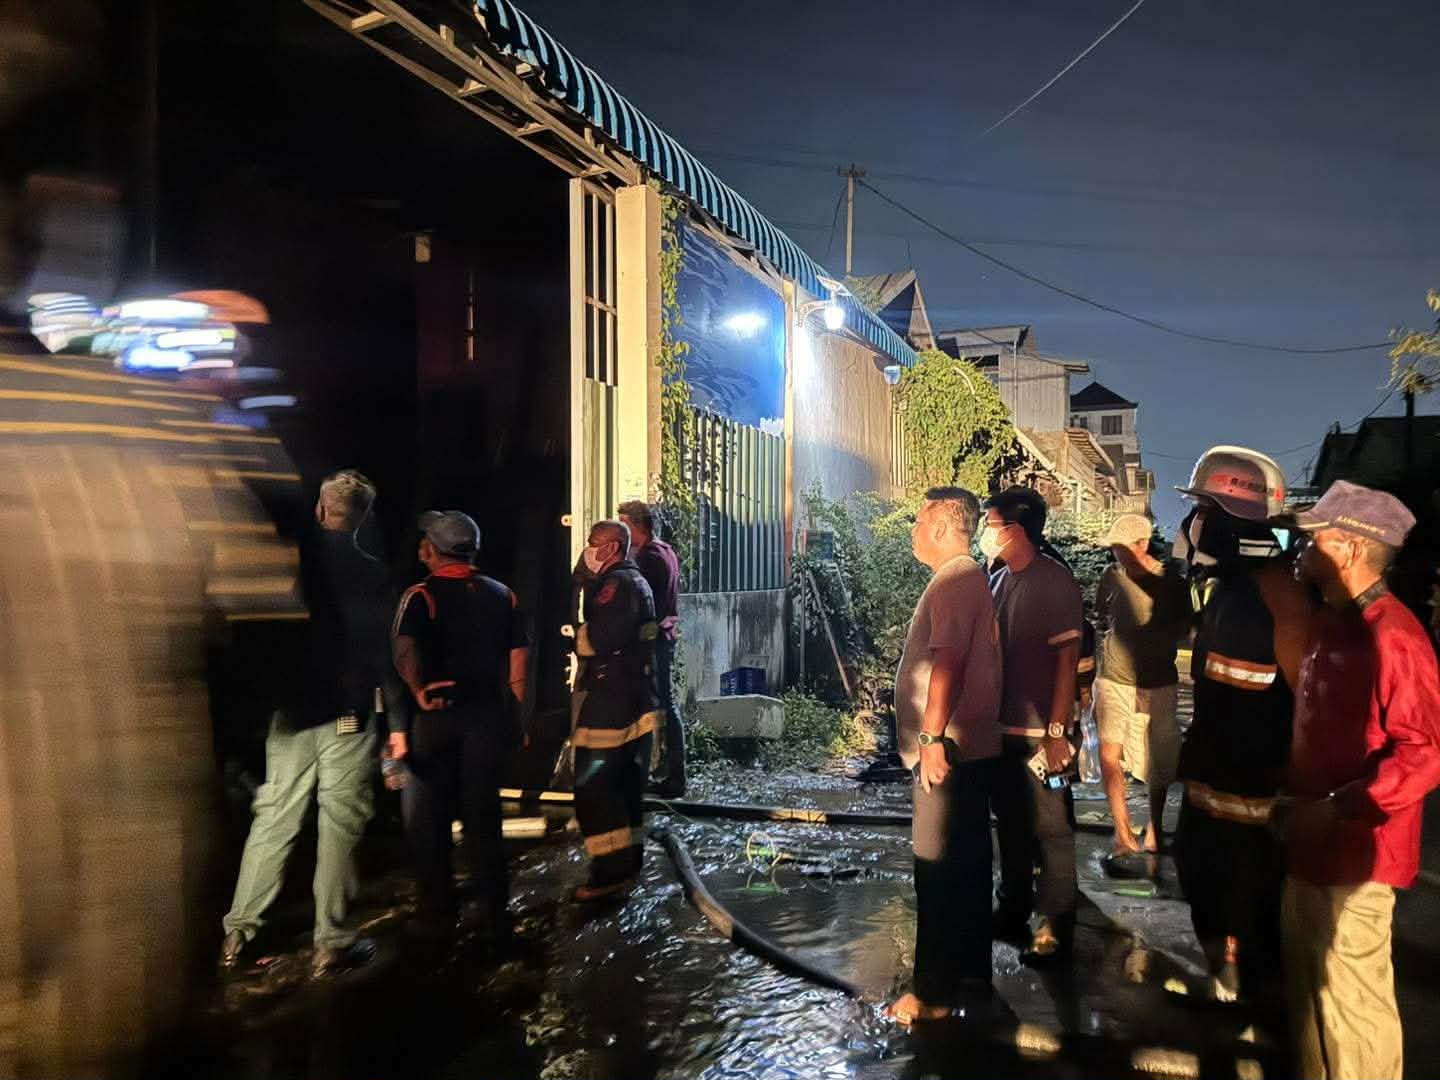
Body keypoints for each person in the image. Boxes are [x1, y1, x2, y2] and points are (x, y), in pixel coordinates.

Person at [1276, 481, 1440, 1080]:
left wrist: (1335, 808)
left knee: (1353, 1010)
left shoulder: (1394, 635)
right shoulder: (1333, 623)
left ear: (1347, 547)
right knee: (1311, 1004)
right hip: (1310, 847)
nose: (1299, 548)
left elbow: (1423, 755)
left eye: (1312, 537)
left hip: (1357, 859)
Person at [221, 470, 397, 977]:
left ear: (320, 509)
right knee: (340, 817)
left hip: (292, 712)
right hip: (346, 713)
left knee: (275, 813)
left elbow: (256, 639)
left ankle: (238, 936)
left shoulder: (287, 563)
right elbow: (382, 653)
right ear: (362, 518)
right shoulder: (370, 572)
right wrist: (397, 720)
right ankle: (331, 944)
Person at [1171, 445, 1308, 1003]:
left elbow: (1296, 698)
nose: (1192, 524)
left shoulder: (1271, 596)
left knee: (1239, 874)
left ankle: (1240, 978)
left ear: (1232, 520)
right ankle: (1226, 967)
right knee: (1203, 864)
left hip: (1248, 781)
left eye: (1204, 510)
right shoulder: (1235, 589)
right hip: (1217, 770)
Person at [884, 488, 1002, 1025]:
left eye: (918, 520)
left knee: (936, 870)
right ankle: (972, 974)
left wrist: (930, 739)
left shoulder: (955, 580)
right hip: (967, 748)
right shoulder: (969, 577)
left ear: (939, 526)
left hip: (946, 749)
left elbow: (947, 664)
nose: (912, 529)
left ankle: (931, 993)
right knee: (969, 864)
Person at [390, 510, 530, 939]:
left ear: (432, 550)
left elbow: (404, 649)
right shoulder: (503, 595)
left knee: (428, 818)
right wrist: (515, 715)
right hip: (485, 716)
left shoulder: (420, 595)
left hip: (438, 716)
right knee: (482, 815)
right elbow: (518, 660)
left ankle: (437, 913)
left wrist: (417, 690)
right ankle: (493, 910)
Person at [982, 486, 1084, 960]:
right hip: (1004, 732)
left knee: (1053, 830)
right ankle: (1013, 909)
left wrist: (1057, 733)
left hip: (1046, 737)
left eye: (991, 524)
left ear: (1016, 530)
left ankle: (1055, 923)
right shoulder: (999, 578)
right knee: (1011, 827)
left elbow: (1067, 662)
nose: (985, 532)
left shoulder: (1054, 582)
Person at [1094, 513, 1190, 869]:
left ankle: (1154, 828)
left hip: (1157, 681)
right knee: (1109, 753)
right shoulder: (1112, 575)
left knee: (1157, 761)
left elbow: (1184, 628)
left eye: (1120, 548)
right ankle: (1122, 832)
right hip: (1113, 678)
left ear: (1142, 544)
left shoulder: (1170, 582)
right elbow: (1103, 616)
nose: (1115, 554)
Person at [572, 519, 661, 901]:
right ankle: (627, 863)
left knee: (595, 788)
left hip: (610, 700)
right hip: (633, 695)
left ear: (610, 548)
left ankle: (609, 872)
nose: (588, 549)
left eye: (593, 542)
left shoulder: (616, 584)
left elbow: (598, 638)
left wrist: (578, 631)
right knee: (625, 787)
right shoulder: (636, 581)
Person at [618, 499, 685, 798]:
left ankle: (661, 775)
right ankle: (669, 774)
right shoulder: (666, 551)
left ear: (637, 526)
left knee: (653, 708)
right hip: (665, 636)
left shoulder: (647, 558)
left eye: (623, 526)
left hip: (653, 639)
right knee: (664, 705)